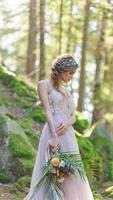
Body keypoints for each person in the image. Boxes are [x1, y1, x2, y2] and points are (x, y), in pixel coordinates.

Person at [24, 54, 94, 200]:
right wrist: (54, 136)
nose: (71, 77)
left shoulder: (67, 91)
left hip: (67, 133)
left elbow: (73, 116)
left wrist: (67, 124)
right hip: (52, 130)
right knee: (51, 166)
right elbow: (48, 110)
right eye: (70, 73)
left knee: (69, 169)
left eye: (73, 74)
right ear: (62, 69)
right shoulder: (43, 85)